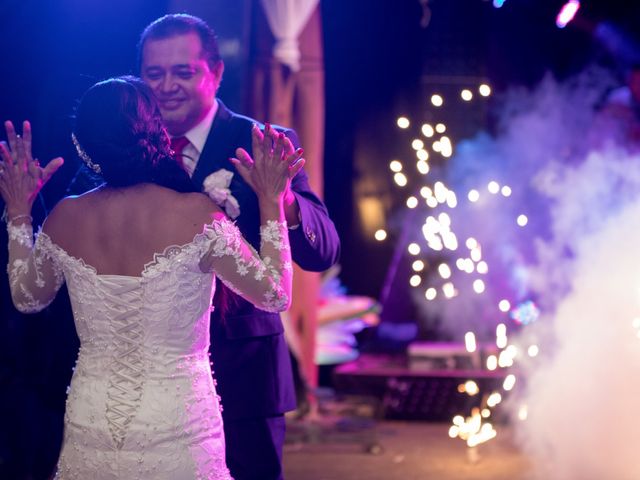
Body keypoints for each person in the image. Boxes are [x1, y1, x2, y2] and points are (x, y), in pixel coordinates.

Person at [0, 75, 305, 478]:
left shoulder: (64, 218)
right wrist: (272, 202)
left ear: (83, 147)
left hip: (94, 416)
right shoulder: (196, 215)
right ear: (155, 133)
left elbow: (28, 298)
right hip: (179, 417)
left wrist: (20, 214)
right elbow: (275, 295)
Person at [138, 14, 340, 480]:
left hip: (242, 372)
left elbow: (323, 250)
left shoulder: (264, 142)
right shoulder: (129, 151)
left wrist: (282, 199)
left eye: (183, 72)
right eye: (154, 73)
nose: (167, 86)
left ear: (216, 73)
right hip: (151, 375)